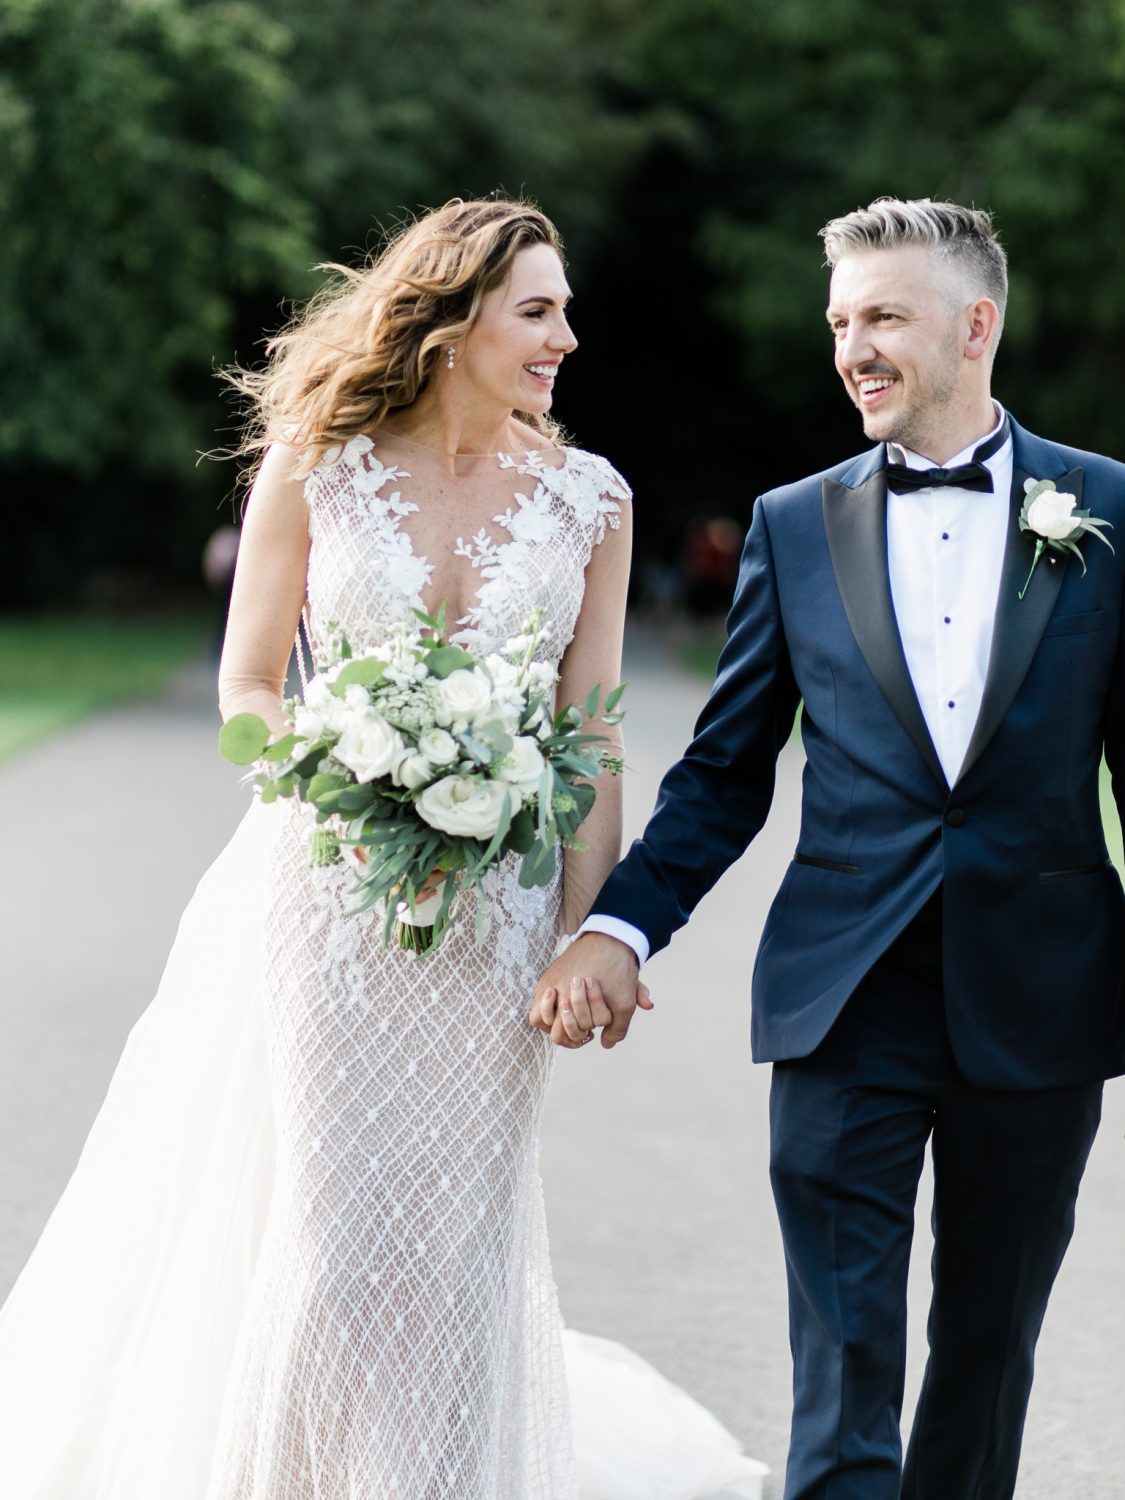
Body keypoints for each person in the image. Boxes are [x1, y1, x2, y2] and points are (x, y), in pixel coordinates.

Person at [0, 198, 768, 1499]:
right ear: (453, 321)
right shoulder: (317, 464)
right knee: (339, 1243)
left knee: (455, 1251)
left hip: (497, 917)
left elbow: (589, 732)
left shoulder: (591, 501)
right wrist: (347, 780)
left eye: (566, 312)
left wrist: (592, 934)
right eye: (538, 311)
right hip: (327, 898)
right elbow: (250, 686)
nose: (566, 339)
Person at [534, 197, 1125, 1499]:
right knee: (842, 1355)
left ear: (975, 327)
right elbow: (725, 771)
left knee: (989, 1349)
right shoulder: (792, 524)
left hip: (1040, 993)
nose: (853, 349)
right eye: (840, 322)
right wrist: (617, 928)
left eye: (884, 319)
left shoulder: (1110, 510)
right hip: (843, 992)